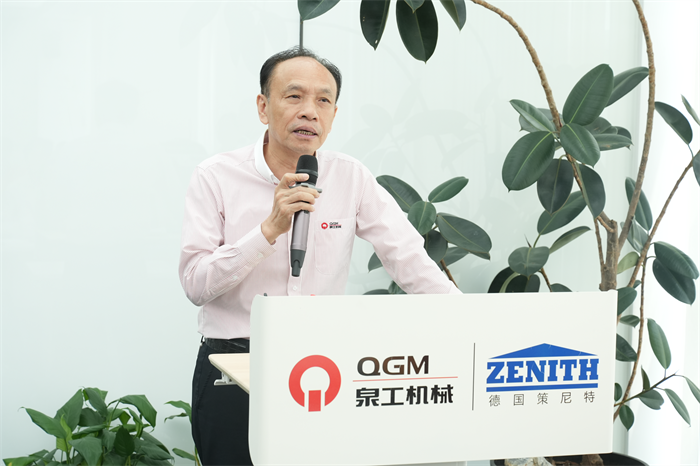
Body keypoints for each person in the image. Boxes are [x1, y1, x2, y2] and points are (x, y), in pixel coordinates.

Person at [178, 46, 460, 465]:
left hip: (320, 367)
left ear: (333, 114)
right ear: (263, 107)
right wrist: (268, 230)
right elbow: (196, 284)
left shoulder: (351, 177)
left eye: (323, 100)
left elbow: (409, 259)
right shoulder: (215, 177)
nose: (309, 111)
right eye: (294, 96)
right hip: (232, 367)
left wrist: (472, 323)